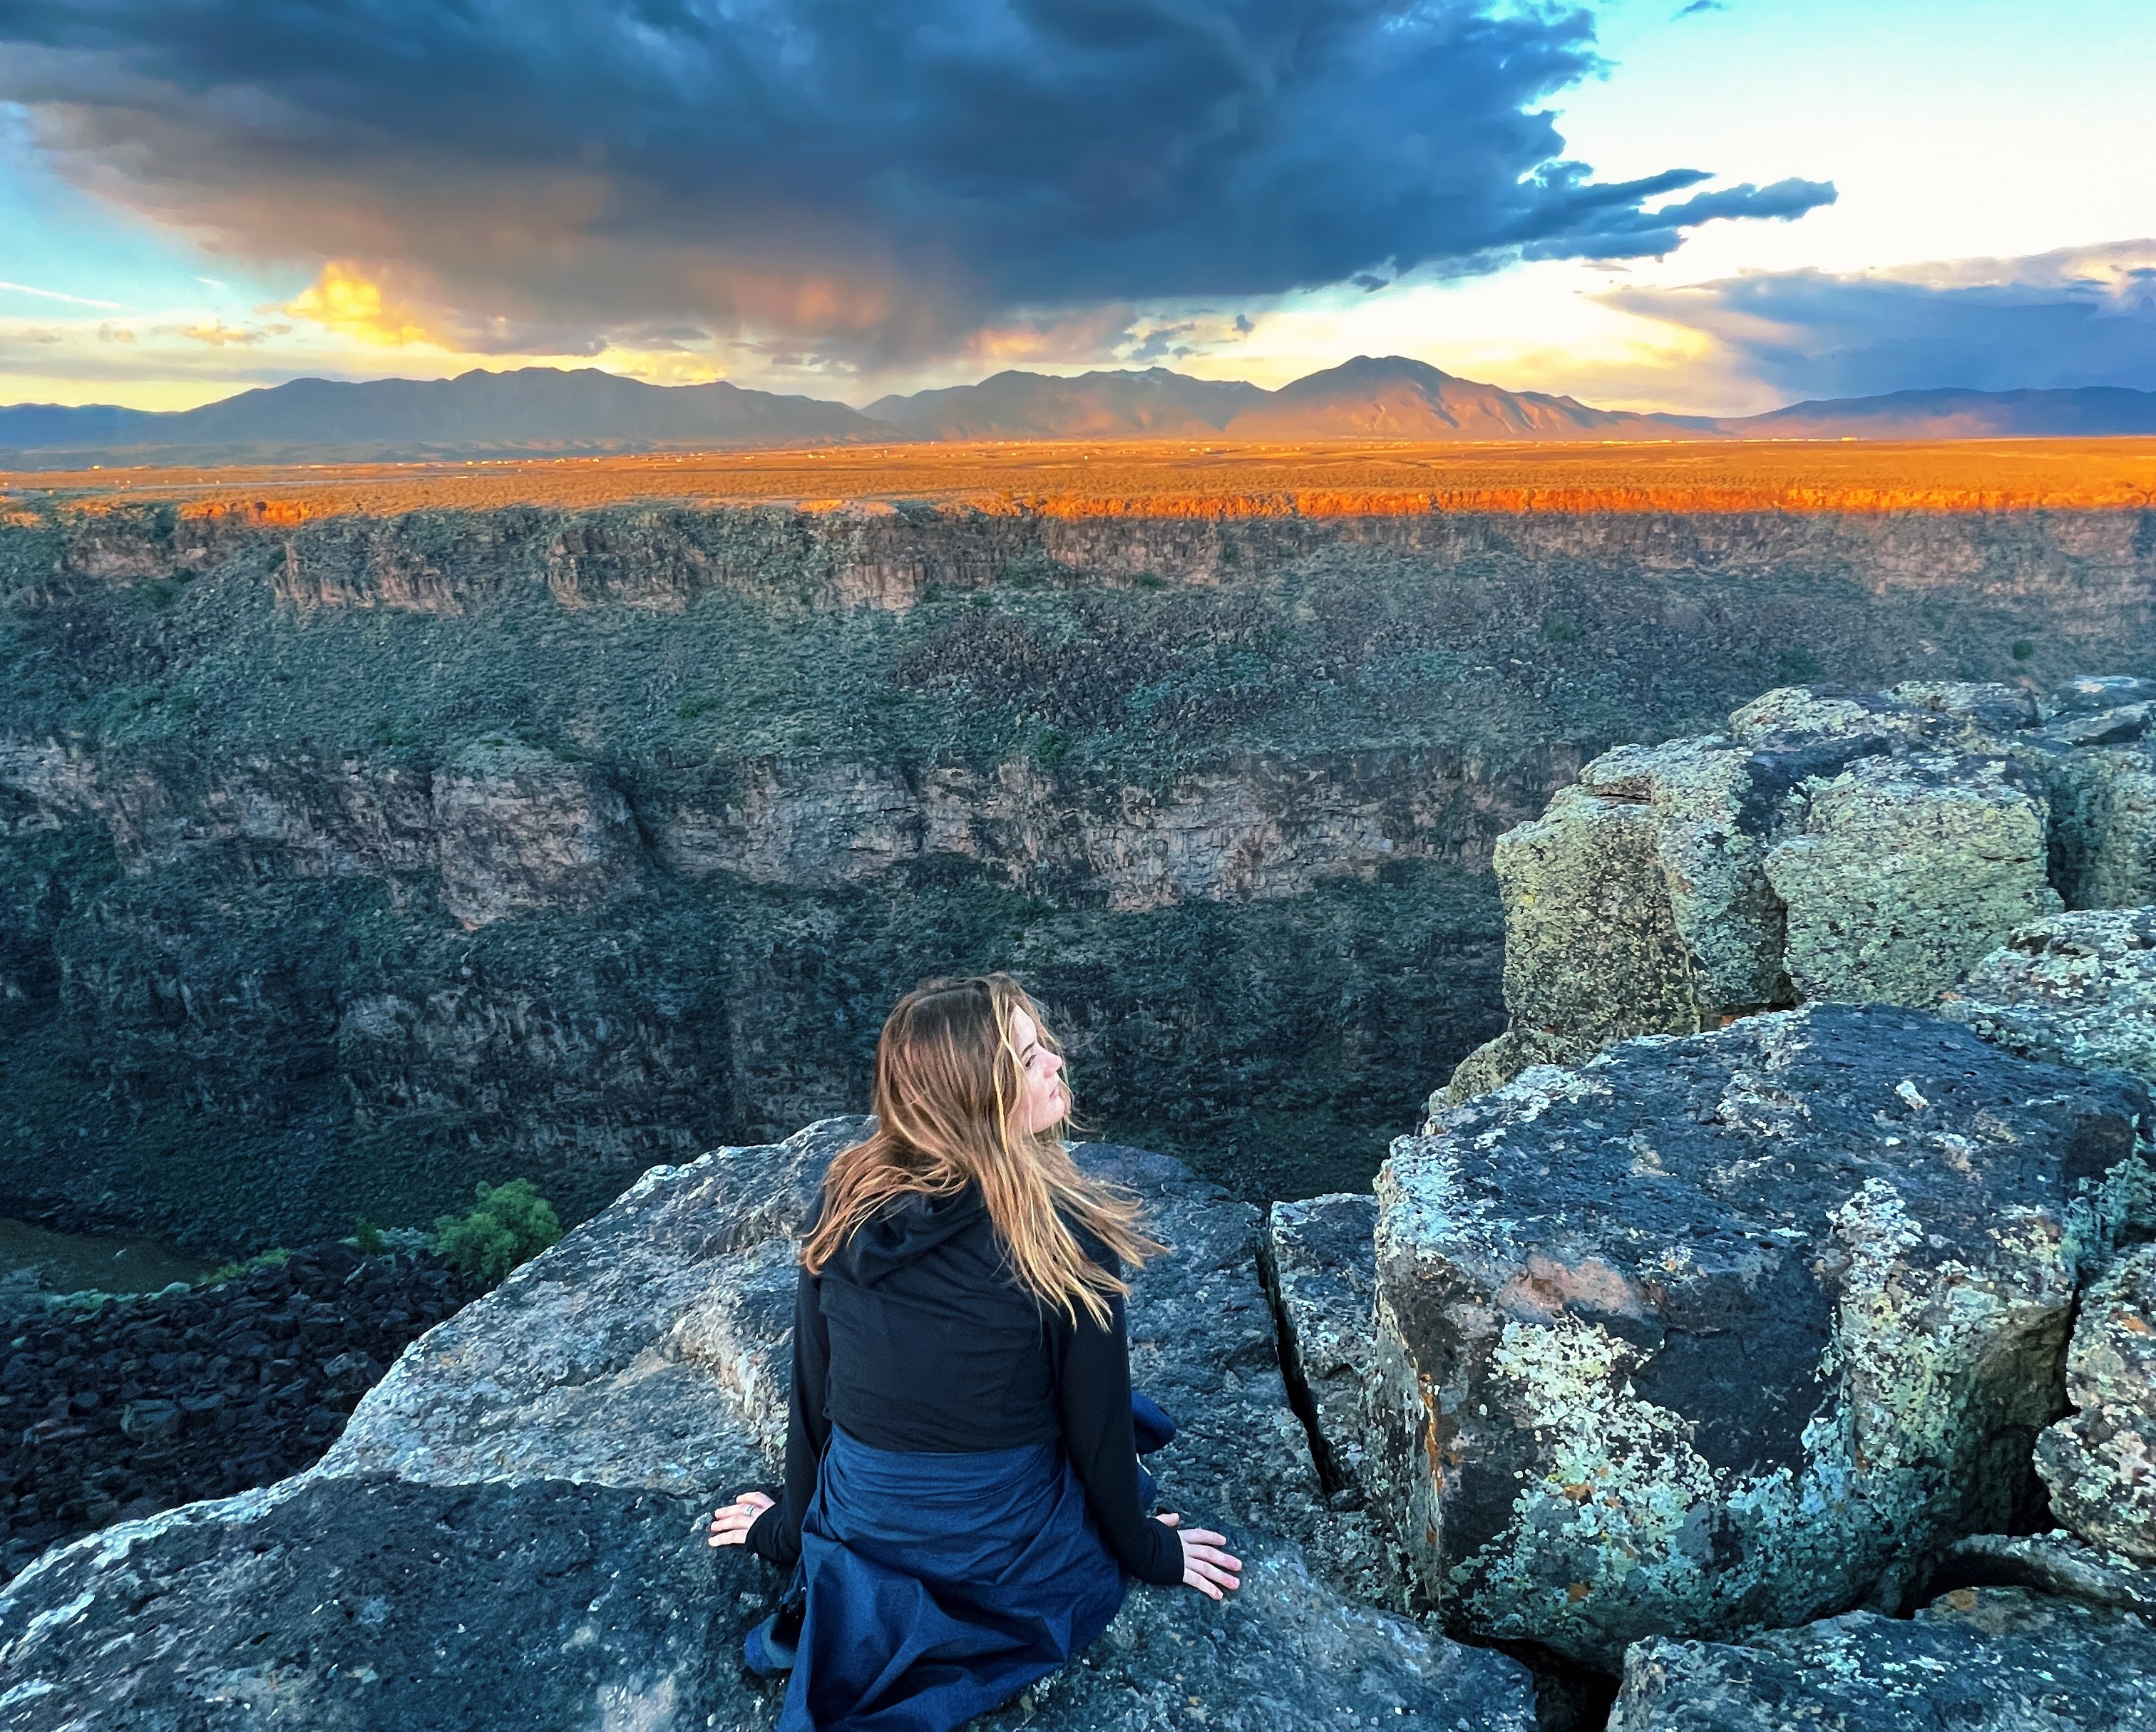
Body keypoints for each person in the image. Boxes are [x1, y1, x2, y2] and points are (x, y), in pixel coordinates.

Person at [707, 973, 1241, 1732]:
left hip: (863, 1520)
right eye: (1027, 1058)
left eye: (1041, 1045)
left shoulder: (847, 1199)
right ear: (976, 1096)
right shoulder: (1060, 1239)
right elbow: (1094, 1436)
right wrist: (1149, 1553)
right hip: (995, 1544)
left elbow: (814, 1391)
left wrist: (793, 1532)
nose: (1056, 1060)